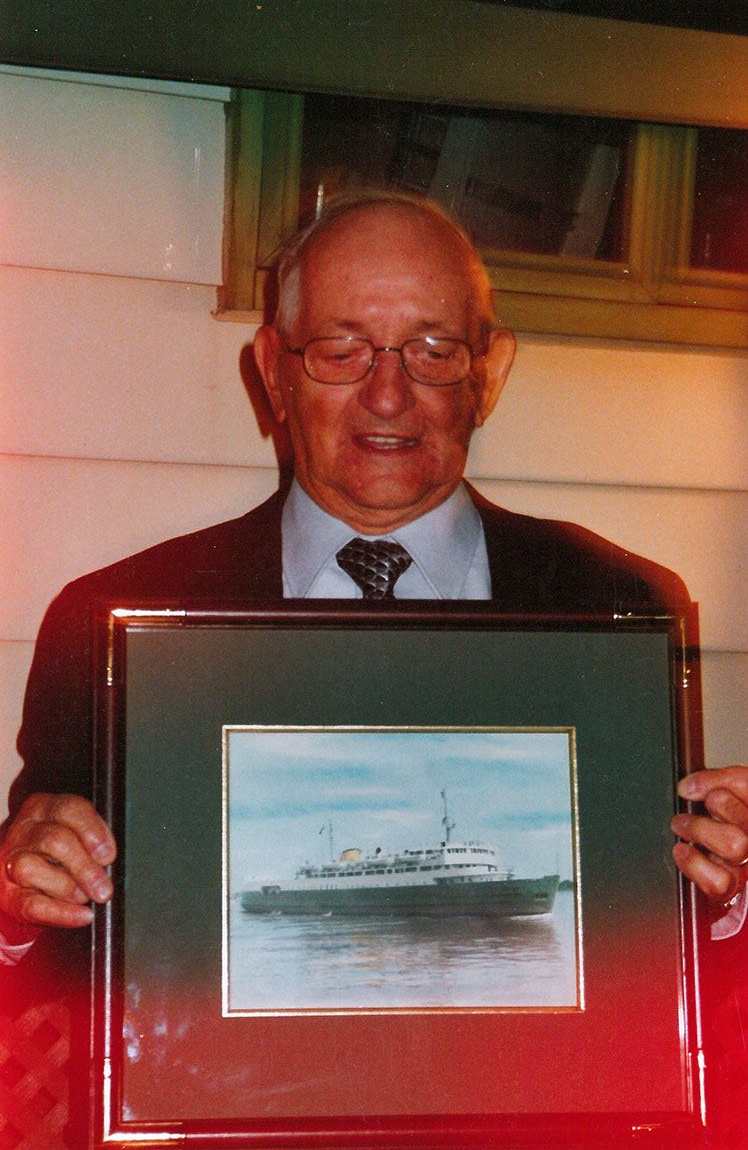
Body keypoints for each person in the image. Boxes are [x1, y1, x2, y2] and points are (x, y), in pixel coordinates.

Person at [2, 190, 747, 983]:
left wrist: (728, 890)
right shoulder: (109, 620)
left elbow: (645, 948)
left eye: (432, 349)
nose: (388, 395)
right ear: (272, 373)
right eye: (339, 348)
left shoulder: (622, 607)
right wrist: (17, 906)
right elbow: (62, 961)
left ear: (488, 375)